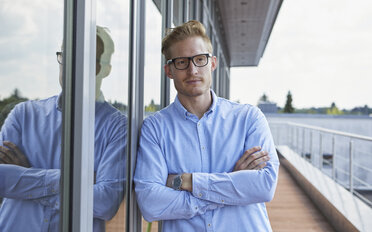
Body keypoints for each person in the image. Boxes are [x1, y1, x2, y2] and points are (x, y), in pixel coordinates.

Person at [134, 20, 279, 231]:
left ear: (212, 63)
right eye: (182, 62)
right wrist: (232, 182)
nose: (192, 70)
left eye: (199, 59)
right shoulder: (155, 129)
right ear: (169, 71)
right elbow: (150, 204)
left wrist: (187, 181)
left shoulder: (249, 118)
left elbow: (264, 186)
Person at [0, 26, 127, 232]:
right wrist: (78, 179)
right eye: (67, 55)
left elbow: (105, 203)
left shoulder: (117, 127)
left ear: (105, 69)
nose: (73, 64)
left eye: (87, 58)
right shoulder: (23, 115)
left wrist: (26, 174)